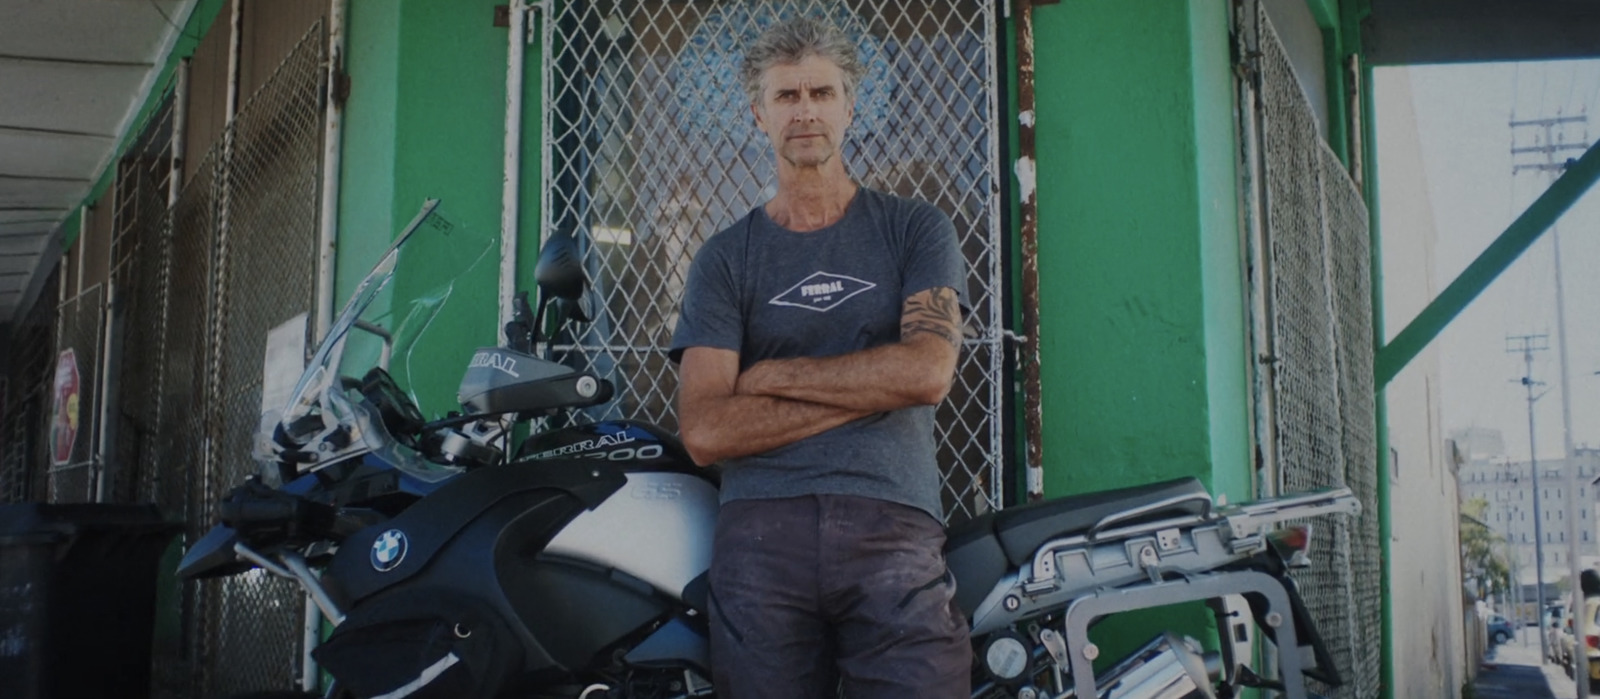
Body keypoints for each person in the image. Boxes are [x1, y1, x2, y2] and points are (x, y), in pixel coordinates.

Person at [669, 16, 970, 699]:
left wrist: (775, 377)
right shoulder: (725, 259)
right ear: (758, 114)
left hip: (892, 522)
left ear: (849, 107)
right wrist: (874, 385)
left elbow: (927, 372)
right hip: (762, 532)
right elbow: (706, 430)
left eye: (821, 93)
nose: (805, 110)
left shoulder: (915, 229)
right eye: (786, 95)